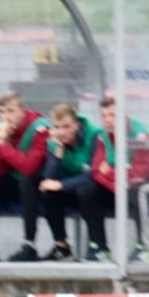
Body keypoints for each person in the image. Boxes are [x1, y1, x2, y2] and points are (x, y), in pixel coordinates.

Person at [89, 94, 149, 262]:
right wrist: (116, 179)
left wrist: (110, 172)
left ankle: (144, 248)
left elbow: (141, 173)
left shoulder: (140, 136)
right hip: (123, 185)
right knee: (89, 189)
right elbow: (96, 170)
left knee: (139, 190)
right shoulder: (103, 136)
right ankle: (99, 247)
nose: (107, 120)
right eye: (104, 116)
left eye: (112, 115)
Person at [0, 91, 64, 261]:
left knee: (27, 182)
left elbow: (29, 168)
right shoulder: (1, 130)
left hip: (40, 183)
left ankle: (29, 244)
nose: (6, 117)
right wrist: (1, 142)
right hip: (17, 182)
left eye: (11, 111)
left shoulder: (39, 129)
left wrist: (3, 146)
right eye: (2, 112)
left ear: (22, 111)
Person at [36, 102, 100, 261]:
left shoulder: (95, 135)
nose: (61, 132)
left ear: (76, 125)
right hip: (69, 189)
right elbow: (49, 178)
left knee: (86, 189)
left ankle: (96, 246)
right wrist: (58, 151)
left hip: (94, 189)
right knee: (47, 192)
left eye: (66, 127)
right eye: (57, 127)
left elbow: (95, 174)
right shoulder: (55, 141)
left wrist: (61, 185)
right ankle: (61, 246)